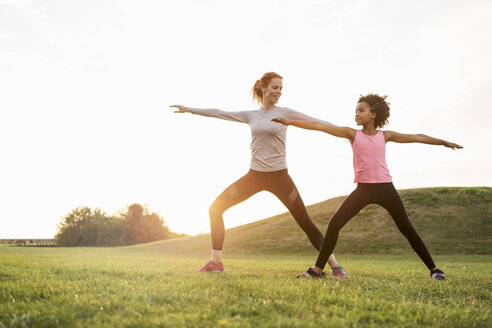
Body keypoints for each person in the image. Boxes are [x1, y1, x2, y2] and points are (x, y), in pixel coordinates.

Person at [171, 72, 347, 276]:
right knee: (215, 209)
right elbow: (220, 112)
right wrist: (189, 110)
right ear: (264, 88)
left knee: (305, 222)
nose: (278, 92)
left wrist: (348, 133)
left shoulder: (286, 113)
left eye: (281, 88)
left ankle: (335, 266)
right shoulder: (251, 115)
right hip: (254, 176)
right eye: (275, 87)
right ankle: (216, 261)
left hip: (280, 177)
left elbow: (316, 121)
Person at [272, 93, 462, 280]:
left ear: (373, 114)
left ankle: (434, 270)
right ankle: (318, 270)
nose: (356, 114)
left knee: (407, 228)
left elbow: (417, 137)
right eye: (355, 111)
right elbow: (320, 126)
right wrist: (290, 122)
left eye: (361, 110)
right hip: (363, 190)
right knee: (335, 224)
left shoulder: (385, 136)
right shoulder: (351, 134)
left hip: (386, 188)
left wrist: (443, 142)